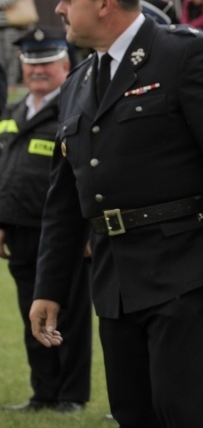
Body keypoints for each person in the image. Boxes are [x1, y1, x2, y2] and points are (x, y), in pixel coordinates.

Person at [29, 0, 203, 428]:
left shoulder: (185, 54)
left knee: (186, 409)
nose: (59, 9)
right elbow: (64, 198)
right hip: (116, 277)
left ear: (103, 1)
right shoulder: (78, 82)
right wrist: (49, 288)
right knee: (132, 411)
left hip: (185, 266)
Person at [0, 26, 92, 414]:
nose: (37, 71)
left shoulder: (75, 108)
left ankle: (71, 395)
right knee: (31, 313)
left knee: (69, 315)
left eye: (47, 63)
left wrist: (87, 229)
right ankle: (44, 392)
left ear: (65, 65)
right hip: (19, 230)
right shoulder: (13, 111)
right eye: (31, 63)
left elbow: (87, 172)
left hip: (63, 234)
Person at [0, 0, 27, 111]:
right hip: (0, 28)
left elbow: (5, 1)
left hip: (12, 28)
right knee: (1, 57)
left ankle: (11, 84)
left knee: (11, 57)